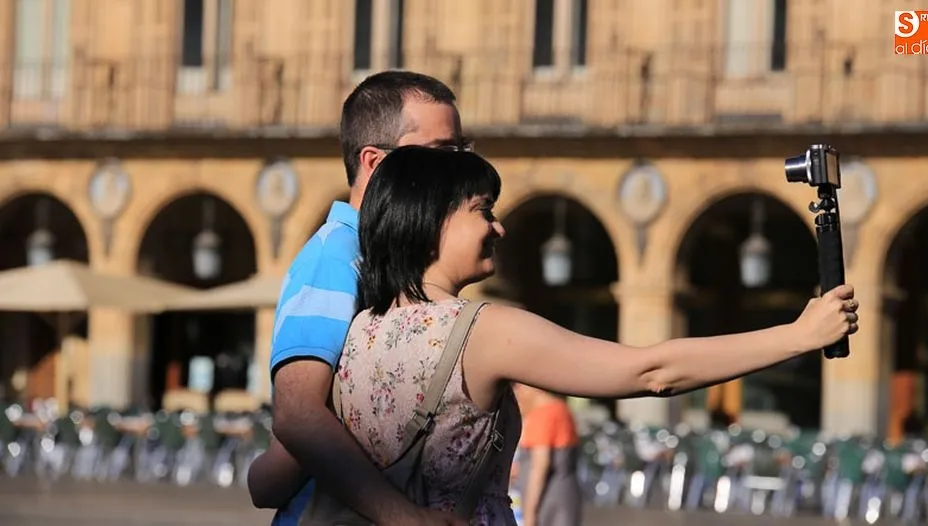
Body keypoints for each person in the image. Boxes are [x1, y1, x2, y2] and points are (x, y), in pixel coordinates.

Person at [254, 146, 861, 524]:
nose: (499, 226)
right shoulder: (481, 331)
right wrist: (796, 335)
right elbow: (651, 372)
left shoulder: (360, 330)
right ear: (431, 220)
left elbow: (269, 479)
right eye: (481, 210)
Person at [247, 71, 472, 526]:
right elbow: (297, 413)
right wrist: (402, 516)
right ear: (374, 162)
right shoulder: (338, 256)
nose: (459, 169)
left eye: (462, 152)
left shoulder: (380, 255)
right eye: (441, 154)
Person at [510, 384, 583, 526]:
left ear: (533, 388)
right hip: (564, 497)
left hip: (548, 501)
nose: (516, 394)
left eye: (519, 388)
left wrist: (529, 515)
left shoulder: (544, 414)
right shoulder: (560, 408)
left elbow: (539, 467)